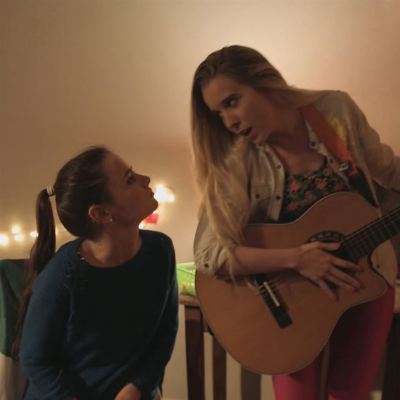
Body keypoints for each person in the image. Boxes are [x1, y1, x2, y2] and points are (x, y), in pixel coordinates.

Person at [191, 45, 400, 400]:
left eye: (232, 102)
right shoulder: (236, 160)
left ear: (264, 81)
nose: (229, 122)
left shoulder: (335, 110)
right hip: (292, 303)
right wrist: (297, 259)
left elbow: (387, 169)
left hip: (370, 278)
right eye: (219, 113)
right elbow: (209, 255)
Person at [13, 146, 178, 400]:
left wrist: (136, 387)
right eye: (129, 179)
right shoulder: (63, 276)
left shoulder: (161, 251)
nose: (145, 180)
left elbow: (165, 332)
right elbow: (35, 360)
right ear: (101, 213)